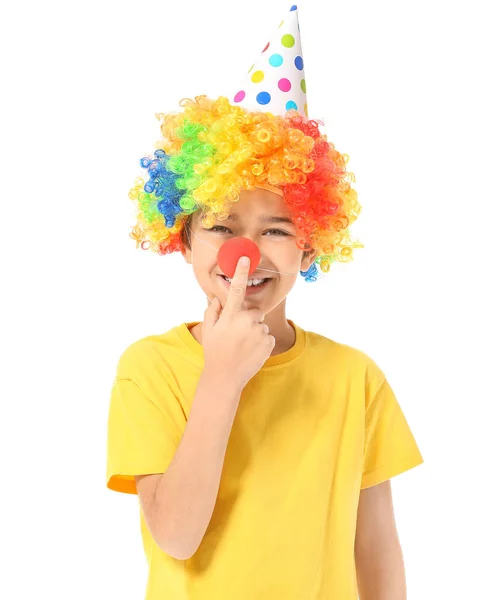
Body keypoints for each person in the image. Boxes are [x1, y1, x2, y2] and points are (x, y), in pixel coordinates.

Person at [106, 6, 424, 599]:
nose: (245, 256)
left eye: (276, 230)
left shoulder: (355, 377)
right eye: (223, 228)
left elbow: (376, 551)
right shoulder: (150, 368)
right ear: (184, 241)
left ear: (310, 247)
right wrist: (222, 377)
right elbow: (175, 535)